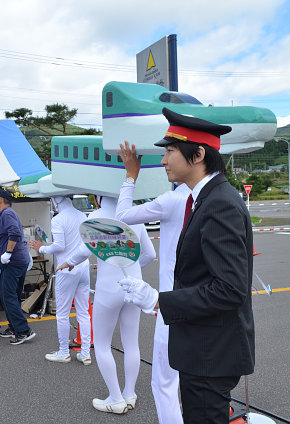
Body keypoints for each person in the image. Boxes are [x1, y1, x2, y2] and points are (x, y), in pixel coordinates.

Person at [118, 108, 255, 424]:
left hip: (212, 353)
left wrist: (157, 300)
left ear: (198, 155)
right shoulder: (204, 198)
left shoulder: (219, 204)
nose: (164, 160)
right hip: (203, 347)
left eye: (169, 151)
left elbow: (230, 289)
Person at [57, 196, 156, 414]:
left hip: (108, 289)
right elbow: (150, 254)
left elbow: (85, 251)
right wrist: (132, 267)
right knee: (132, 343)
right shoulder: (135, 215)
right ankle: (130, 394)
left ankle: (115, 398)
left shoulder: (96, 216)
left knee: (102, 344)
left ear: (98, 195)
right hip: (134, 287)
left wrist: (69, 262)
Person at [116, 140, 189, 424]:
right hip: (199, 301)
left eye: (169, 153)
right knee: (194, 380)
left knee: (164, 382)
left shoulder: (172, 200)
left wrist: (130, 175)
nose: (163, 161)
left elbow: (122, 216)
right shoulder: (216, 197)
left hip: (171, 304)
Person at [27, 196, 92, 365]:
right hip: (83, 267)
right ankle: (85, 353)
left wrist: (41, 247)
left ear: (57, 201)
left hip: (66, 268)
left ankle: (64, 352)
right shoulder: (82, 216)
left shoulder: (58, 219)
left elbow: (59, 246)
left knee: (62, 313)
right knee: (83, 312)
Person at [0, 189, 36, 345]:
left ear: (0, 200)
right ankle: (14, 327)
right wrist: (1, 254)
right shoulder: (7, 214)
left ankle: (23, 330)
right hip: (18, 260)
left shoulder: (7, 214)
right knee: (13, 295)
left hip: (13, 261)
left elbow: (15, 233)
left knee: (7, 296)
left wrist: (8, 253)